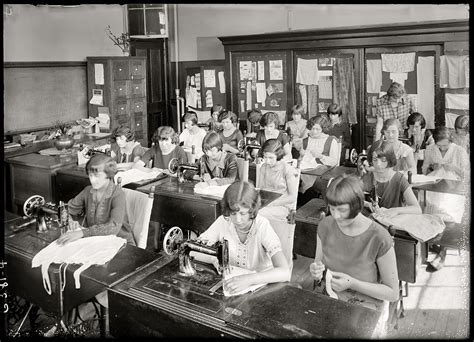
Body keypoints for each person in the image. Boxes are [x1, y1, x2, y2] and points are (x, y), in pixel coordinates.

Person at [309, 174, 398, 332]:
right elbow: (319, 265)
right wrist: (316, 271)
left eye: (341, 210)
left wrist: (353, 283)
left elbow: (392, 293)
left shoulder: (379, 237)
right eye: (332, 208)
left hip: (364, 308)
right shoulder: (325, 225)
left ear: (357, 205)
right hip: (329, 298)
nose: (335, 216)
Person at [191, 181, 291, 295]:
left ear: (252, 210)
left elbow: (285, 272)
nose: (237, 220)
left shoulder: (262, 226)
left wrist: (249, 279)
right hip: (233, 286)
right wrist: (214, 259)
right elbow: (194, 250)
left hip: (261, 289)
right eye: (233, 213)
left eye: (243, 214)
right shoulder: (224, 222)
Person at [57, 153, 134, 246]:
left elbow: (113, 227)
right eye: (90, 175)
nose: (92, 180)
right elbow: (65, 209)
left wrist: (82, 233)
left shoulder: (118, 195)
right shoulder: (88, 191)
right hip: (96, 242)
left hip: (121, 243)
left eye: (97, 176)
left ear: (108, 174)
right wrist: (69, 221)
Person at [421, 126, 469, 271]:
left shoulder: (459, 151)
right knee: (427, 207)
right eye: (439, 146)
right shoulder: (430, 149)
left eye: (445, 146)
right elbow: (424, 170)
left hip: (453, 189)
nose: (441, 149)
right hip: (433, 186)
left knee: (446, 208)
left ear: (451, 142)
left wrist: (452, 168)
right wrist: (432, 168)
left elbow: (466, 175)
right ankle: (431, 243)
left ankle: (443, 250)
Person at [257, 139, 299, 267]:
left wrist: (271, 203)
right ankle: (261, 257)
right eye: (265, 157)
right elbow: (260, 189)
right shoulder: (264, 167)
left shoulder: (288, 169)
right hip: (268, 203)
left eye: (271, 158)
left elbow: (292, 197)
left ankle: (269, 255)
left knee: (258, 215)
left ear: (279, 155)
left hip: (283, 206)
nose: (267, 161)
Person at [362, 140, 422, 217]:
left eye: (383, 160)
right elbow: (353, 200)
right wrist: (367, 204)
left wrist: (396, 210)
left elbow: (417, 209)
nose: (378, 164)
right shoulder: (367, 178)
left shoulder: (399, 179)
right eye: (375, 160)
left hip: (393, 224)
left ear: (390, 159)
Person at [296, 114, 340, 206]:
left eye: (317, 129)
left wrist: (320, 156)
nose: (314, 132)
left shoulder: (331, 141)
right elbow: (300, 161)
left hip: (323, 174)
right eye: (312, 129)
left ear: (323, 129)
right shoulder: (305, 141)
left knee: (314, 185)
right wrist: (301, 156)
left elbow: (334, 162)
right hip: (306, 171)